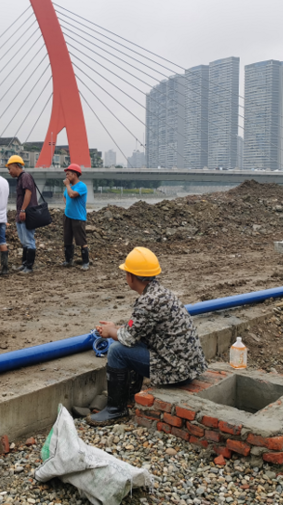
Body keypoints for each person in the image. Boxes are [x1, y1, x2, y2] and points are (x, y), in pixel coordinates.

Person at [87, 247, 208, 426]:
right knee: (133, 344)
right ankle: (128, 396)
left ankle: (116, 409)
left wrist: (110, 332)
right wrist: (116, 328)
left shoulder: (147, 302)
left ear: (131, 277)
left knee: (117, 351)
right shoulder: (159, 293)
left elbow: (127, 338)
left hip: (177, 371)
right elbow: (137, 330)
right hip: (187, 366)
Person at [7, 155, 37, 274]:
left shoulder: (25, 176)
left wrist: (23, 210)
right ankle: (24, 264)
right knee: (24, 240)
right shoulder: (20, 178)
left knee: (29, 240)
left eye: (10, 169)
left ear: (16, 166)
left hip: (27, 214)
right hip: (22, 214)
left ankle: (29, 267)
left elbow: (28, 193)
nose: (9, 172)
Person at [61, 163, 89, 271]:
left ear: (75, 174)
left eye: (68, 174)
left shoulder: (81, 186)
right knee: (67, 240)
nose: (66, 176)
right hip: (68, 216)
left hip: (78, 217)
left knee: (81, 241)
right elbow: (65, 196)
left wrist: (67, 185)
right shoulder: (70, 187)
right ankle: (68, 260)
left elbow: (72, 194)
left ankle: (85, 262)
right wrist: (67, 205)